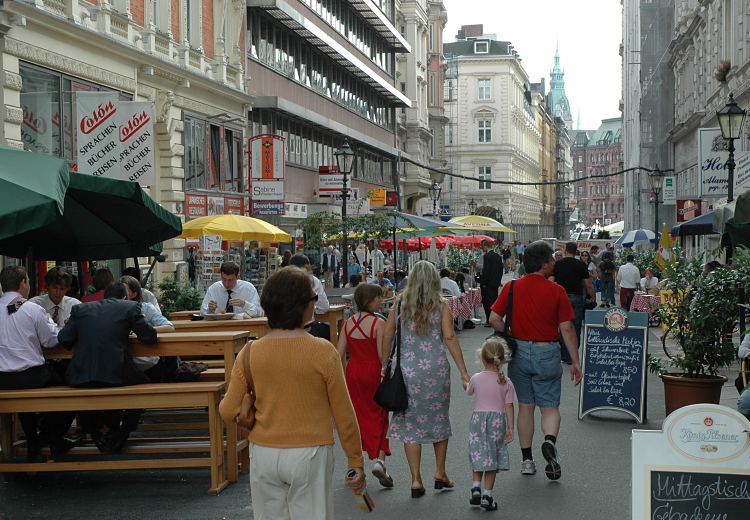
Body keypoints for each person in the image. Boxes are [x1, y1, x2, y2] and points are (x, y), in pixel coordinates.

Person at [219, 267, 365, 519]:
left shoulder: (250, 352)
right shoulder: (323, 352)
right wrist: (355, 461)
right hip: (310, 451)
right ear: (303, 306)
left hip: (264, 451)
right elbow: (344, 414)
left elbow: (227, 410)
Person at [489, 240, 582, 481]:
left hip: (519, 352)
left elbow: (494, 318)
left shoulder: (511, 287)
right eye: (551, 259)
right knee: (550, 407)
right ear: (543, 265)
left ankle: (527, 460)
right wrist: (575, 361)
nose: (554, 263)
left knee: (526, 407)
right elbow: (567, 328)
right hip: (547, 351)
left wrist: (509, 335)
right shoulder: (556, 291)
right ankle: (549, 442)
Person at [384, 261, 470, 498]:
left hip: (406, 371)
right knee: (438, 420)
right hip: (435, 371)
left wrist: (384, 364)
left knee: (410, 424)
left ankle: (415, 479)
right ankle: (440, 473)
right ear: (434, 280)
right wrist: (463, 371)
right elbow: (450, 337)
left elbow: (388, 332)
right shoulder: (441, 305)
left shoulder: (400, 304)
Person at [58, 282, 158, 453]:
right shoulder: (130, 307)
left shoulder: (80, 309)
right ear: (125, 297)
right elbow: (149, 337)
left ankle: (96, 433)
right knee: (144, 386)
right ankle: (122, 434)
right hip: (116, 373)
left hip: (81, 373)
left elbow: (64, 339)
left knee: (88, 391)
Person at [0, 266, 74, 460]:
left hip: (1, 379)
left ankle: (34, 441)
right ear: (23, 283)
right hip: (30, 377)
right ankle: (49, 436)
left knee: (24, 396)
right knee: (71, 389)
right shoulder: (32, 309)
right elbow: (51, 341)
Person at [336, 284, 393, 488]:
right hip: (372, 371)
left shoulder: (348, 322)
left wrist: (342, 374)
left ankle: (356, 466)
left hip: (353, 371)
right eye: (378, 298)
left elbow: (339, 353)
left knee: (357, 417)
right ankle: (379, 460)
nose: (381, 301)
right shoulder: (378, 323)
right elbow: (381, 355)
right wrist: (385, 368)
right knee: (379, 414)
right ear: (370, 300)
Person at [466, 336, 516, 511]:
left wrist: (466, 382)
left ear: (482, 357)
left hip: (477, 420)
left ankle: (475, 487)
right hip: (497, 422)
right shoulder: (506, 382)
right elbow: (509, 406)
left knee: (479, 453)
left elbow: (469, 391)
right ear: (502, 359)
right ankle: (487, 494)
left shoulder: (476, 378)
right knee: (492, 458)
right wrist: (511, 427)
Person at [120, 275, 174, 375]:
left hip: (147, 359)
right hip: (124, 360)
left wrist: (144, 329)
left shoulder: (146, 308)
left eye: (124, 290)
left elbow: (169, 327)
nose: (121, 293)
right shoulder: (116, 309)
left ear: (134, 294)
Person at [552, 242, 596, 364]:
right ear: (576, 251)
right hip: (576, 297)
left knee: (562, 325)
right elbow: (588, 284)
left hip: (561, 297)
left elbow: (551, 282)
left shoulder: (558, 264)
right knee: (575, 326)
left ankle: (563, 354)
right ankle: (572, 354)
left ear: (566, 250)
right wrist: (592, 298)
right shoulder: (581, 265)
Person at [480, 240, 503, 327]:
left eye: (482, 246)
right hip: (495, 283)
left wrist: (483, 283)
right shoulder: (497, 256)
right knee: (494, 301)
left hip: (488, 283)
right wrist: (498, 281)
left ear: (486, 246)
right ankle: (494, 318)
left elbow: (486, 271)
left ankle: (489, 319)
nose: (481, 247)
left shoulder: (487, 256)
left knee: (487, 302)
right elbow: (501, 269)